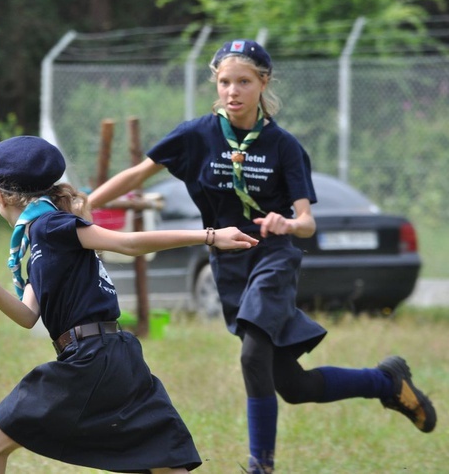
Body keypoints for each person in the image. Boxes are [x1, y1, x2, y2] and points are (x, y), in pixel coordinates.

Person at [87, 39, 437, 473]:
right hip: (228, 260)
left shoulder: (283, 145)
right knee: (294, 384)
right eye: (225, 81)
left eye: (244, 81)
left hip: (273, 256)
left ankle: (261, 466)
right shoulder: (197, 134)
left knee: (253, 356)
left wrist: (288, 224)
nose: (233, 91)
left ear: (263, 83)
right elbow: (139, 172)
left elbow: (307, 221)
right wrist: (87, 206)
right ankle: (386, 381)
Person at [0, 135, 260, 474]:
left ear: (0, 196)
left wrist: (210, 236)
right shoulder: (42, 237)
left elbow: (127, 243)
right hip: (113, 356)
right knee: (165, 465)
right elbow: (27, 316)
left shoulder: (53, 226)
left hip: (92, 358)